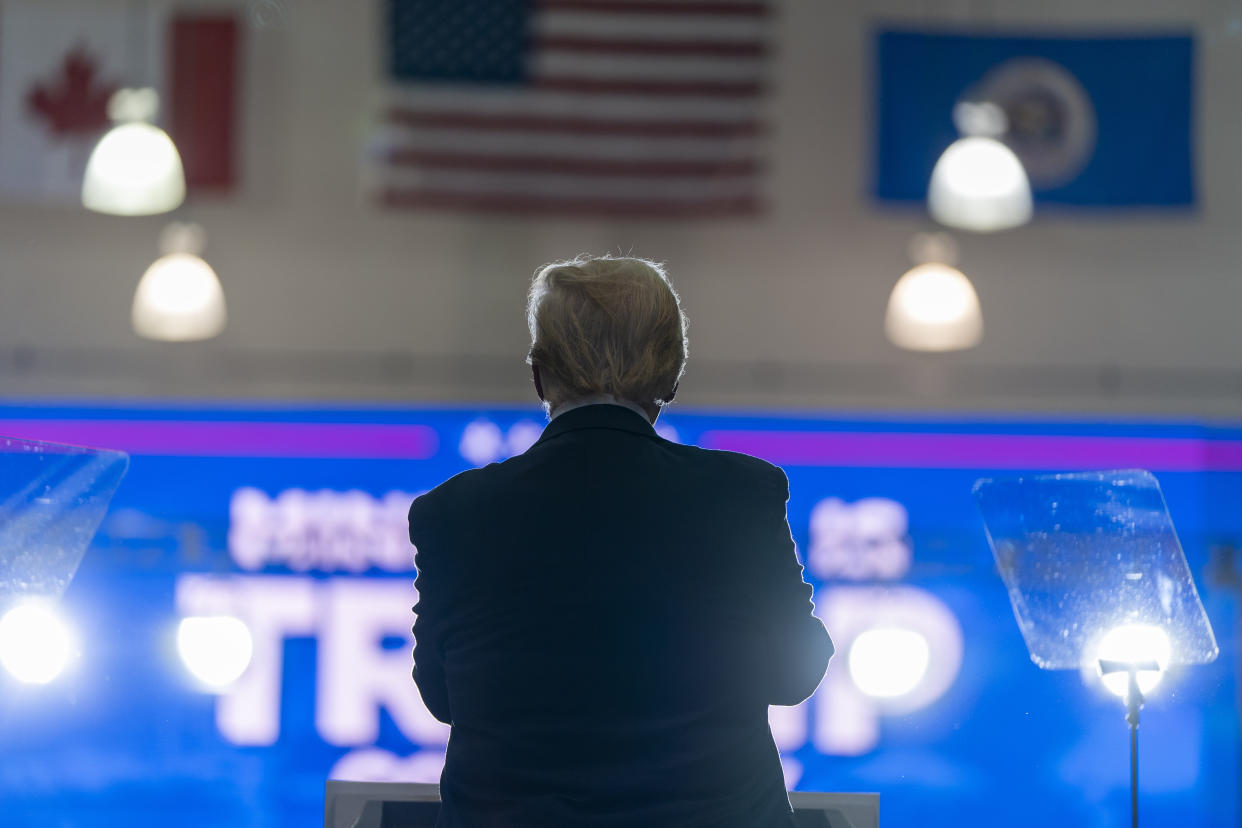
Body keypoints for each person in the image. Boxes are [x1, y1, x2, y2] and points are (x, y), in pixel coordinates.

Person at [409, 255, 833, 828]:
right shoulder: (743, 494)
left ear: (538, 374)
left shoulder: (452, 512)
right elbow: (794, 675)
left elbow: (442, 697)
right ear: (672, 374)